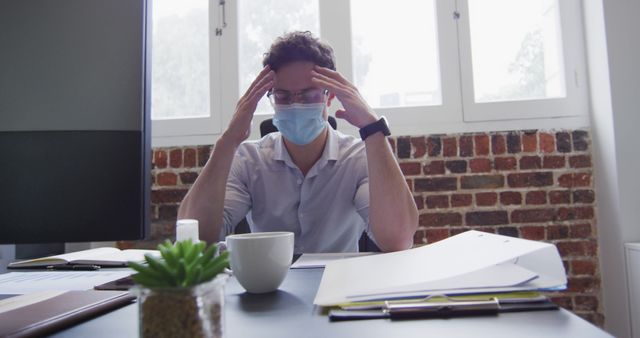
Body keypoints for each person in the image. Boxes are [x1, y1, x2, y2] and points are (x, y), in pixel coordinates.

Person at [178, 31, 417, 253]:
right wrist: (228, 141)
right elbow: (194, 240)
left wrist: (372, 129)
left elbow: (397, 240)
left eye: (308, 94)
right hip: (265, 286)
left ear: (330, 95)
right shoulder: (248, 159)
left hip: (339, 285)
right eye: (283, 95)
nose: (295, 104)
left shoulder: (358, 158)